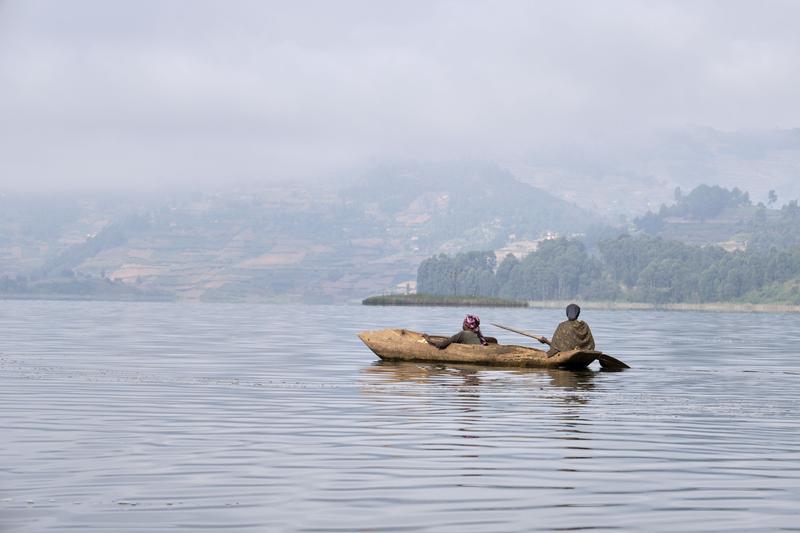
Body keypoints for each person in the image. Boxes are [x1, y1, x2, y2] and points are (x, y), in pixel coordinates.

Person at [424, 314, 490, 350]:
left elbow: (441, 345)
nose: (462, 325)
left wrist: (428, 339)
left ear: (467, 325)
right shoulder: (478, 334)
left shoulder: (463, 334)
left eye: (463, 323)